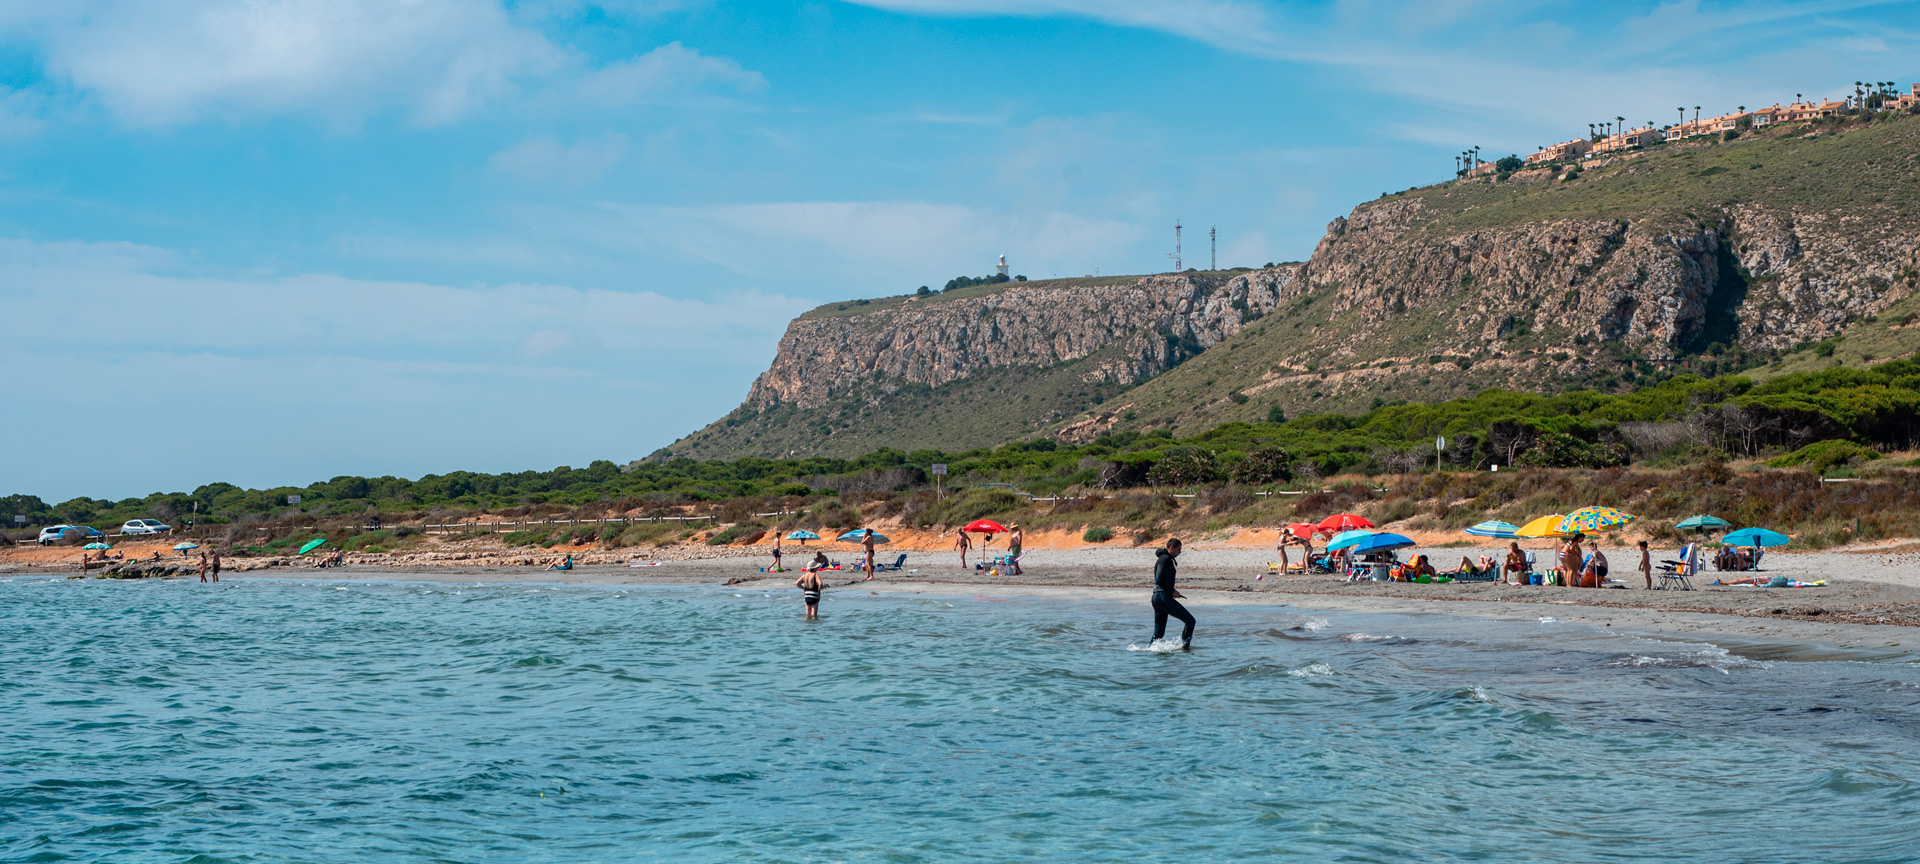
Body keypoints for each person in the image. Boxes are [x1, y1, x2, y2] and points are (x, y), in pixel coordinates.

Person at [1149, 539, 1193, 649]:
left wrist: (1170, 591)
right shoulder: (1165, 559)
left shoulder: (1163, 558)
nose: (1180, 552)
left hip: (1157, 597)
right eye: (1178, 549)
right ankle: (1185, 648)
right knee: (1190, 621)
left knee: (1159, 633)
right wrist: (1172, 591)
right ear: (1171, 548)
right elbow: (1159, 579)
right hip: (1162, 597)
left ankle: (1150, 651)